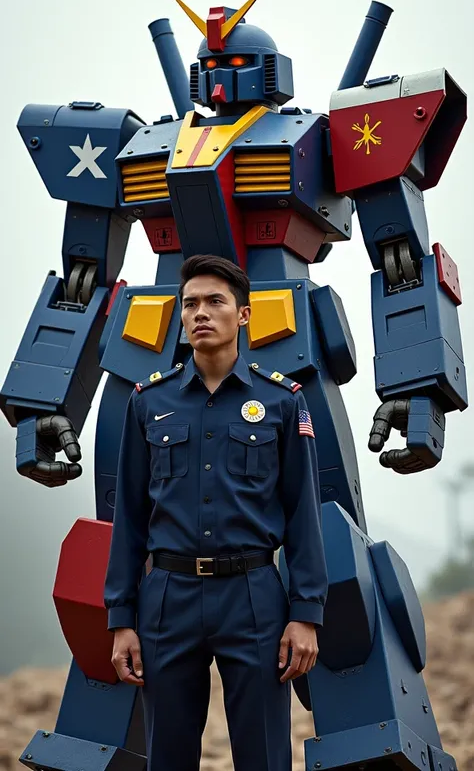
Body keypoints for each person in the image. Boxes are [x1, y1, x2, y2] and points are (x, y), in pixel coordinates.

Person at [104, 254, 328, 771]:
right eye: (190, 304)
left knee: (266, 753)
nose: (200, 312)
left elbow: (302, 514)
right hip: (166, 600)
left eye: (215, 302)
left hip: (253, 596)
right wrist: (122, 618)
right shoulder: (148, 403)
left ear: (243, 316)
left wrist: (305, 614)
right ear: (180, 317)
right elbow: (130, 520)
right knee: (168, 755)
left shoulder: (282, 401)